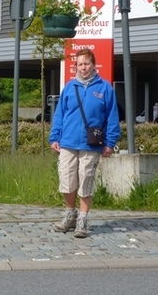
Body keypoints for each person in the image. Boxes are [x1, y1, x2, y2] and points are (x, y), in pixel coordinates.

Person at [49, 47, 121, 238]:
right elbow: (60, 115)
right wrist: (54, 137)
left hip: (92, 144)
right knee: (67, 180)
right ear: (76, 66)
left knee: (86, 180)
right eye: (80, 64)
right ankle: (70, 214)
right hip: (68, 142)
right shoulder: (69, 88)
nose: (83, 68)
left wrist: (110, 142)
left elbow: (112, 117)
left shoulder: (105, 88)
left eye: (86, 63)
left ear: (93, 64)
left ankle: (83, 219)